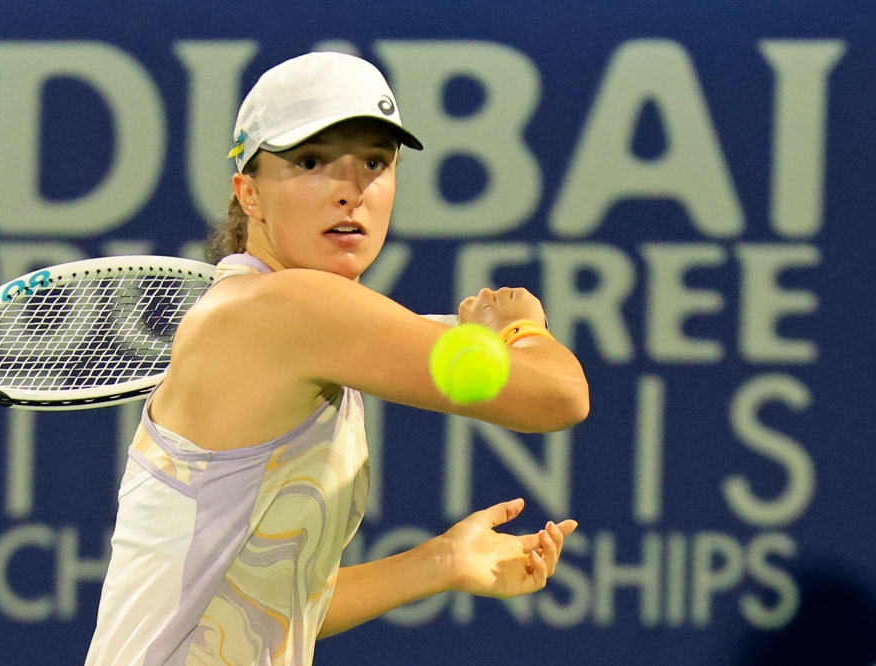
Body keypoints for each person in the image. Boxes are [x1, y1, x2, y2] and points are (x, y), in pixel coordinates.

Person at [86, 51, 589, 665]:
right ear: (249, 193)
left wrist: (444, 561)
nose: (351, 190)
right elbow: (558, 396)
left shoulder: (287, 320)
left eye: (375, 163)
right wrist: (519, 328)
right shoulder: (286, 310)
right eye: (311, 162)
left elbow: (277, 601)